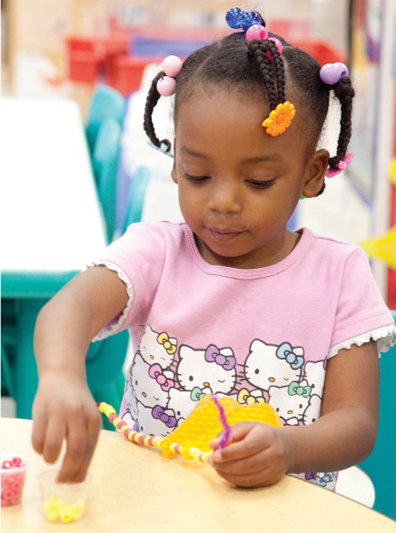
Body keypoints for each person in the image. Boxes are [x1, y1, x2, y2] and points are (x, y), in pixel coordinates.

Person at [32, 8, 396, 491]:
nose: (222, 203)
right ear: (176, 163)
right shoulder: (157, 251)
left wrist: (289, 447)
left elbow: (356, 423)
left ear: (311, 174)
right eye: (199, 175)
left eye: (259, 180)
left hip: (280, 515)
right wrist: (60, 375)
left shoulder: (341, 274)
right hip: (153, 503)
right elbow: (70, 306)